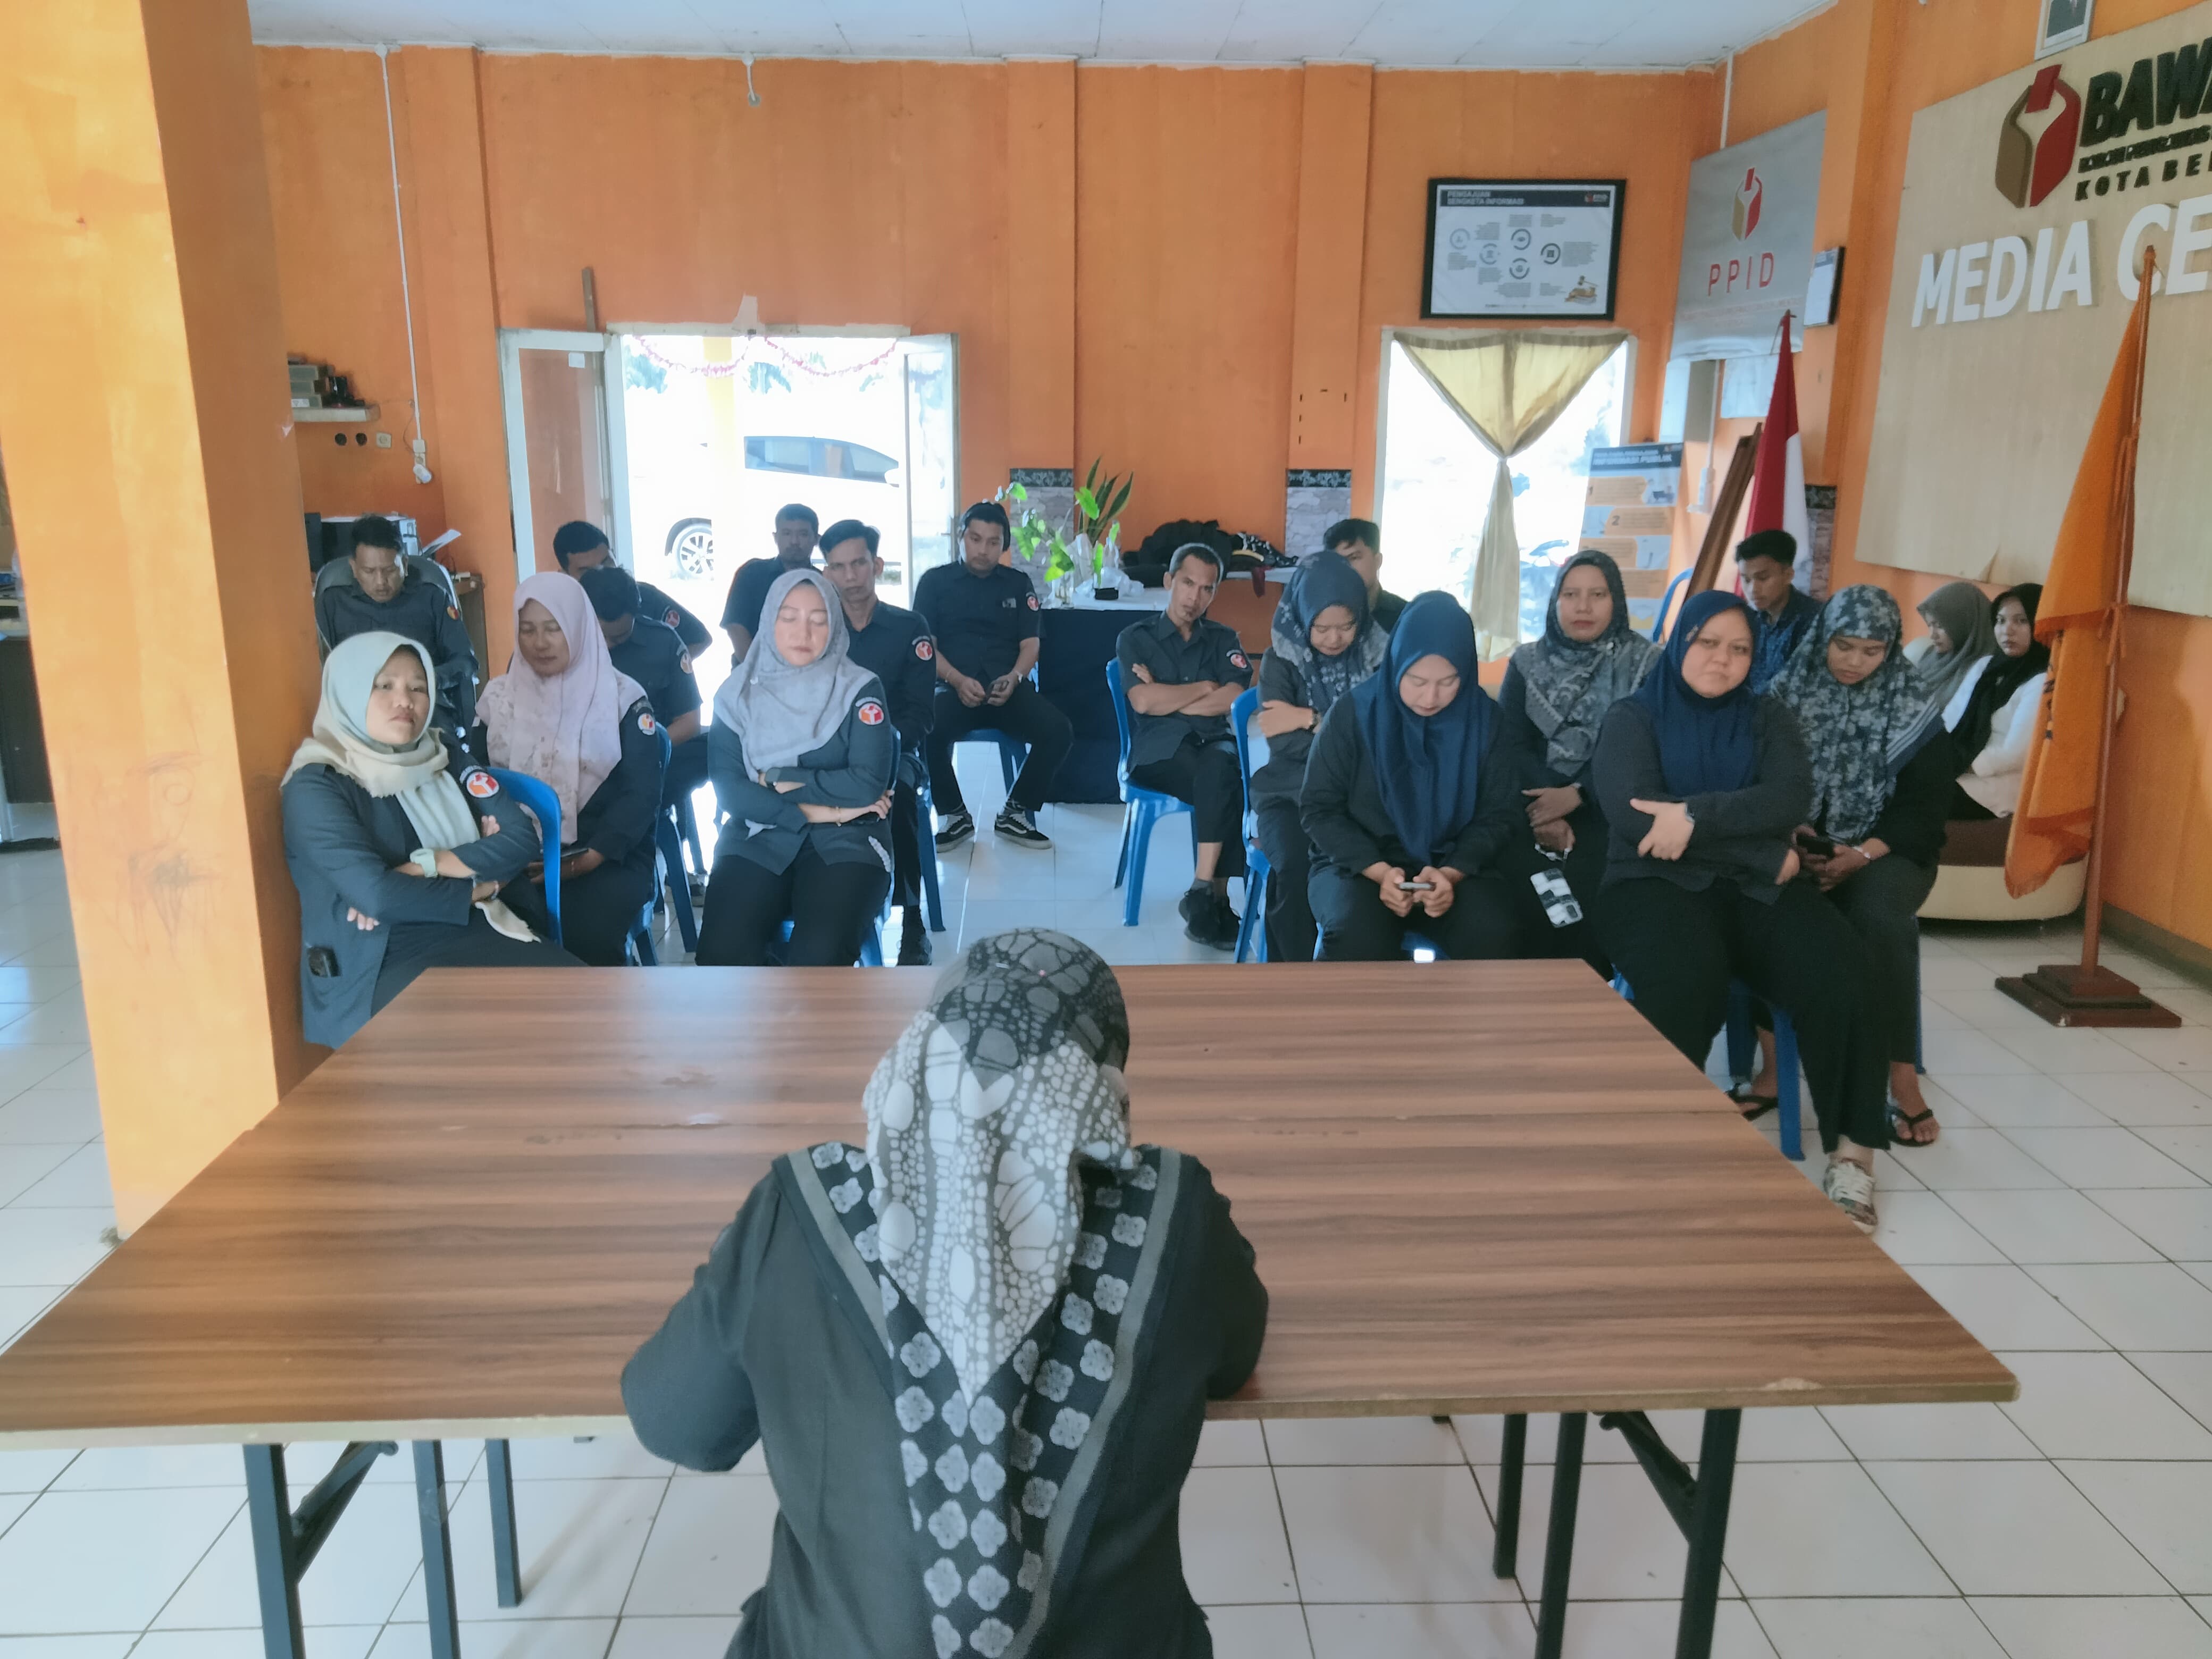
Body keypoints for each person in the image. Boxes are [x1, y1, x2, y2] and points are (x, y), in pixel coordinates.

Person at [623, 929, 1267, 1659]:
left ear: (920, 1057)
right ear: (1102, 1088)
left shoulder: (802, 1206)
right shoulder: (1172, 1207)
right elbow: (1236, 1354)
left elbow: (677, 1423)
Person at [1590, 590, 1891, 1231]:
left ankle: (1853, 1156)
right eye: (1706, 643)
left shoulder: (1767, 718)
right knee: (1685, 981)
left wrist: (1695, 814)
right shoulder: (1632, 718)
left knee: (1843, 970)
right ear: (1679, 643)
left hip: (1753, 889)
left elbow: (1788, 796)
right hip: (1651, 885)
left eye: (1739, 649)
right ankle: (1658, 1146)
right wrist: (1759, 851)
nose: (1721, 660)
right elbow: (1636, 817)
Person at [281, 633, 579, 1048]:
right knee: (493, 1049)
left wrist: (427, 865)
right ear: (347, 690)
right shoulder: (317, 788)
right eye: (384, 685)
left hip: (485, 928)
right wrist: (486, 883)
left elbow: (520, 838)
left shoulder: (445, 757)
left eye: (418, 687)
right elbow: (379, 897)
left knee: (581, 1009)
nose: (405, 700)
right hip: (384, 960)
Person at [1765, 585, 1954, 1146]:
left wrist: (1862, 853)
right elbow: (1759, 781)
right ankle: (1775, 1067)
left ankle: (1898, 1076)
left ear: (1889, 651)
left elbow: (1925, 812)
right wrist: (1792, 837)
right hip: (1795, 845)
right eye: (1842, 646)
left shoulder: (1911, 706)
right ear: (1822, 637)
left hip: (1886, 852)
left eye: (1870, 651)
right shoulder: (1783, 695)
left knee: (1876, 916)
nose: (1853, 662)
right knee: (1755, 900)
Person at [1300, 592, 1563, 962]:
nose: (1430, 697)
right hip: (1358, 865)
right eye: (1416, 680)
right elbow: (1319, 809)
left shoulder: (1486, 722)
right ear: (1396, 665)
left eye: (1448, 681)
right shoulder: (1354, 715)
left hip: (1458, 863)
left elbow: (1499, 815)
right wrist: (1379, 872)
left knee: (1495, 933)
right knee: (1355, 936)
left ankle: (1459, 1022)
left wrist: (1452, 874)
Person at [697, 569, 896, 967]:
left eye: (818, 620)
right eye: (788, 618)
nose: (802, 633)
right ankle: (766, 1021)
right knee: (721, 954)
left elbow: (867, 784)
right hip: (758, 837)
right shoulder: (736, 695)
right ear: (769, 620)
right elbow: (731, 791)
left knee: (818, 960)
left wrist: (773, 780)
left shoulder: (860, 689)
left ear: (835, 625)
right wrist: (825, 811)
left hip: (849, 842)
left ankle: (808, 1025)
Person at [474, 572, 667, 967]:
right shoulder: (498, 699)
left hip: (606, 855)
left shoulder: (623, 700)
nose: (540, 643)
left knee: (585, 935)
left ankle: (602, 1024)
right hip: (517, 854)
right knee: (481, 930)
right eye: (527, 630)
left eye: (553, 629)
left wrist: (587, 860)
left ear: (579, 629)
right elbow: (474, 779)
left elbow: (641, 794)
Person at [1498, 550, 1660, 974]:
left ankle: (1581, 1009)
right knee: (1521, 891)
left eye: (1597, 595)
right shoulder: (1527, 663)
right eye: (1570, 594)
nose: (1583, 607)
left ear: (1617, 601)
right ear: (1555, 603)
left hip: (1615, 811)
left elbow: (1643, 752)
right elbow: (1510, 746)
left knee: (1590, 897)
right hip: (1531, 807)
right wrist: (1546, 809)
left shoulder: (1646, 666)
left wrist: (1578, 794)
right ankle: (1526, 1009)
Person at [1251, 549, 1388, 963]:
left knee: (1370, 866)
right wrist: (1342, 734)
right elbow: (1280, 741)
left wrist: (1308, 719)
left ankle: (1353, 971)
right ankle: (1290, 977)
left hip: (1360, 795)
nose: (1334, 639)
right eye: (1322, 628)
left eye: (1346, 626)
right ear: (1304, 617)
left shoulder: (1378, 653)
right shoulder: (1281, 657)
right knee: (1293, 865)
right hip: (1289, 791)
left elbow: (1383, 735)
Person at [1116, 546, 1254, 951]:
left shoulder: (1224, 638)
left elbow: (1235, 697)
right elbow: (1143, 703)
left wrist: (1167, 692)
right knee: (1223, 779)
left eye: (1207, 589)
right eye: (1188, 583)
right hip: (1159, 750)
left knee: (1224, 769)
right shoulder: (1135, 638)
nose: (1195, 597)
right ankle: (1215, 897)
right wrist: (1202, 689)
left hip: (1214, 742)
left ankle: (1202, 891)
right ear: (1169, 582)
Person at [914, 502, 1071, 850]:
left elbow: (1030, 645)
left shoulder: (1018, 583)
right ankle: (954, 815)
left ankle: (1016, 811)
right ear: (961, 537)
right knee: (926, 730)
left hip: (1007, 689)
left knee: (1059, 730)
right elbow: (927, 650)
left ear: (1004, 546)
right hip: (953, 687)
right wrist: (956, 679)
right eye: (975, 539)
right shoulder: (934, 583)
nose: (983, 550)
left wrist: (1015, 677)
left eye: (992, 542)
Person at [821, 519, 938, 965]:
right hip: (828, 756)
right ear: (827, 573)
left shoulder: (910, 628)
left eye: (858, 564)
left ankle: (912, 921)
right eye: (838, 567)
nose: (850, 577)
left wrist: (874, 748)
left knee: (900, 796)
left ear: (878, 565)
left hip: (895, 754)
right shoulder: (817, 633)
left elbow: (921, 716)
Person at [314, 515, 479, 733]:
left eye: (390, 570)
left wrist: (425, 681)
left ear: (405, 564)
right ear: (354, 568)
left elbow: (465, 662)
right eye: (369, 572)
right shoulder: (333, 602)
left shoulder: (431, 597)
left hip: (424, 710)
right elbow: (322, 669)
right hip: (357, 711)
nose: (381, 582)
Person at [579, 563, 708, 838]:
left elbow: (688, 723)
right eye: (601, 636)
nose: (609, 646)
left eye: (619, 637)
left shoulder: (664, 643)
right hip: (579, 765)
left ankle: (632, 828)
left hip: (650, 757)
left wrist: (636, 753)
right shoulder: (557, 646)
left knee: (709, 750)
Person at [1948, 584, 2048, 819]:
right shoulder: (1986, 666)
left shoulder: (2043, 679)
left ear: (2040, 624)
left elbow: (2015, 754)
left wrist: (1955, 767)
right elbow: (1950, 719)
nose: (2007, 631)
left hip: (1997, 786)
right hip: (1958, 770)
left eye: (2021, 621)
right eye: (2001, 621)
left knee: (1910, 796)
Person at [550, 520, 714, 662]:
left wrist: (669, 674)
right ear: (565, 576)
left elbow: (699, 639)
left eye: (606, 563)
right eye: (587, 571)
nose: (602, 574)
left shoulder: (643, 596)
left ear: (614, 556)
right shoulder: (554, 618)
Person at [722, 504, 822, 663]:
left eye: (803, 534)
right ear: (776, 538)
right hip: (753, 675)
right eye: (787, 533)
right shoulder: (752, 573)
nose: (794, 542)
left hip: (810, 677)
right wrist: (757, 672)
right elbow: (736, 627)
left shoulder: (823, 584)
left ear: (816, 539)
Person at [1734, 528, 1820, 693]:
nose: (1753, 589)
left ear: (1788, 575)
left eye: (1763, 578)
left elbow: (1798, 689)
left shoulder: (1812, 622)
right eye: (1746, 579)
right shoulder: (1749, 617)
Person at [1909, 580, 1997, 729]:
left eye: (1940, 626)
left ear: (1965, 622)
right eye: (1930, 625)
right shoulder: (1930, 658)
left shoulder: (1984, 670)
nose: (1932, 636)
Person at [1322, 516, 1407, 632]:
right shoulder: (1319, 617)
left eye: (1354, 558)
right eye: (1337, 561)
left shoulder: (1405, 616)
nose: (1346, 568)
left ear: (1377, 561)